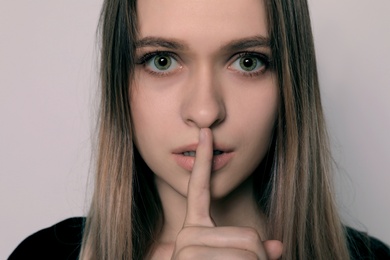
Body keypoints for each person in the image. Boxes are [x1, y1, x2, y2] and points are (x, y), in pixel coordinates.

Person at [9, 0, 390, 259]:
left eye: (247, 61)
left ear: (290, 82)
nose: (206, 111)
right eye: (162, 61)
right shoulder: (42, 255)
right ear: (118, 81)